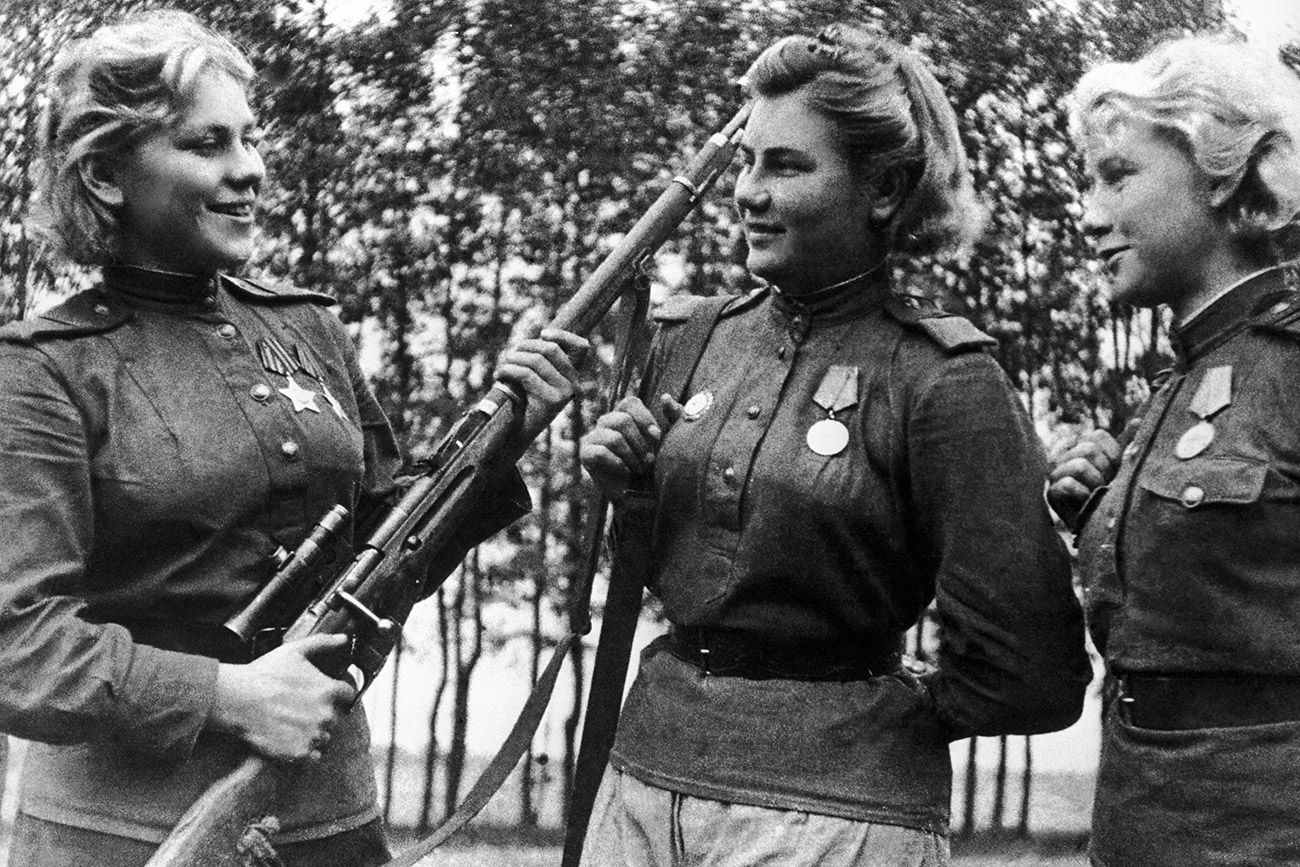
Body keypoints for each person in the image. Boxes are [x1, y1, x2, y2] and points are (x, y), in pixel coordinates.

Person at [0, 9, 587, 867]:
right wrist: (225, 695)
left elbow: (391, 546)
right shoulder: (44, 368)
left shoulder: (306, 328)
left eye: (251, 138)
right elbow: (19, 644)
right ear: (106, 176)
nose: (251, 171)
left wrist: (500, 441)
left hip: (331, 817)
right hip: (129, 834)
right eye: (207, 145)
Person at [577, 22, 1091, 867]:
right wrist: (626, 489)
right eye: (748, 161)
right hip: (642, 786)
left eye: (786, 165)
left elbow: (1027, 666)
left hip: (834, 821)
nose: (747, 191)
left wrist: (862, 723)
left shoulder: (942, 377)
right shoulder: (691, 338)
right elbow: (676, 574)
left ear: (883, 189)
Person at [1048, 35, 1300, 867]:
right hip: (1137, 823)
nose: (1089, 213)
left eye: (1118, 176)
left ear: (1223, 173)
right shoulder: (1172, 390)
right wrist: (1096, 512)